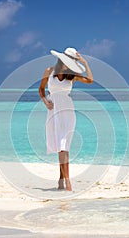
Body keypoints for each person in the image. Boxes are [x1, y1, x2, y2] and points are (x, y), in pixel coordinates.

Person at [39, 47, 93, 191]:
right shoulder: (49, 71)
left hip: (68, 111)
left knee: (64, 147)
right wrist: (45, 102)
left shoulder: (72, 76)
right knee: (59, 147)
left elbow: (90, 80)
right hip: (53, 111)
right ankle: (61, 178)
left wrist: (85, 63)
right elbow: (41, 89)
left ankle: (67, 181)